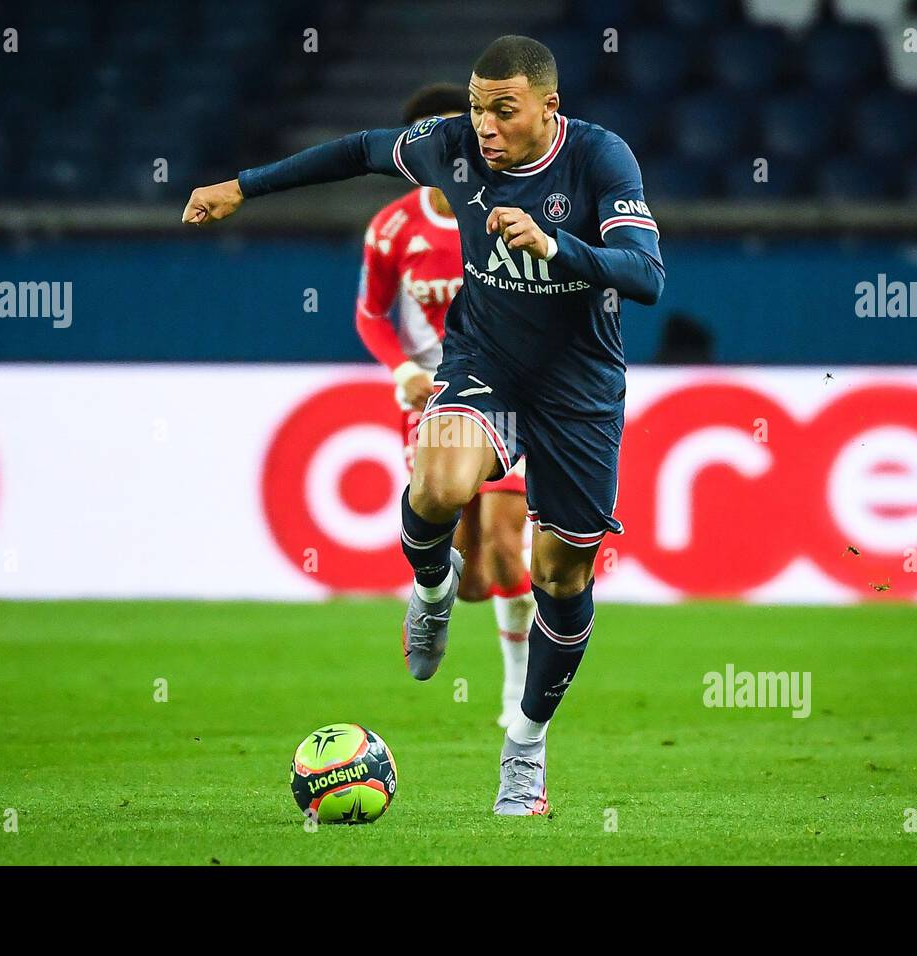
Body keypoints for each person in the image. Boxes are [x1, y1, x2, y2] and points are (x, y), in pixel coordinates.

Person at [183, 36, 663, 815]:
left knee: (560, 578)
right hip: (488, 366)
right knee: (439, 482)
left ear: (549, 107)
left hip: (579, 390)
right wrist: (243, 185)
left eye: (503, 110)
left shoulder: (603, 160)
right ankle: (433, 588)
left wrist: (557, 245)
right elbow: (361, 150)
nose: (484, 126)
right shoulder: (452, 148)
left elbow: (646, 275)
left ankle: (525, 749)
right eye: (476, 108)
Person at [355, 82, 534, 727]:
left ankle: (517, 694)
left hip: (506, 396)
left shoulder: (506, 208)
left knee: (510, 545)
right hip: (433, 400)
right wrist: (401, 367)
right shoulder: (393, 227)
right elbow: (371, 313)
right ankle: (433, 590)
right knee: (473, 573)